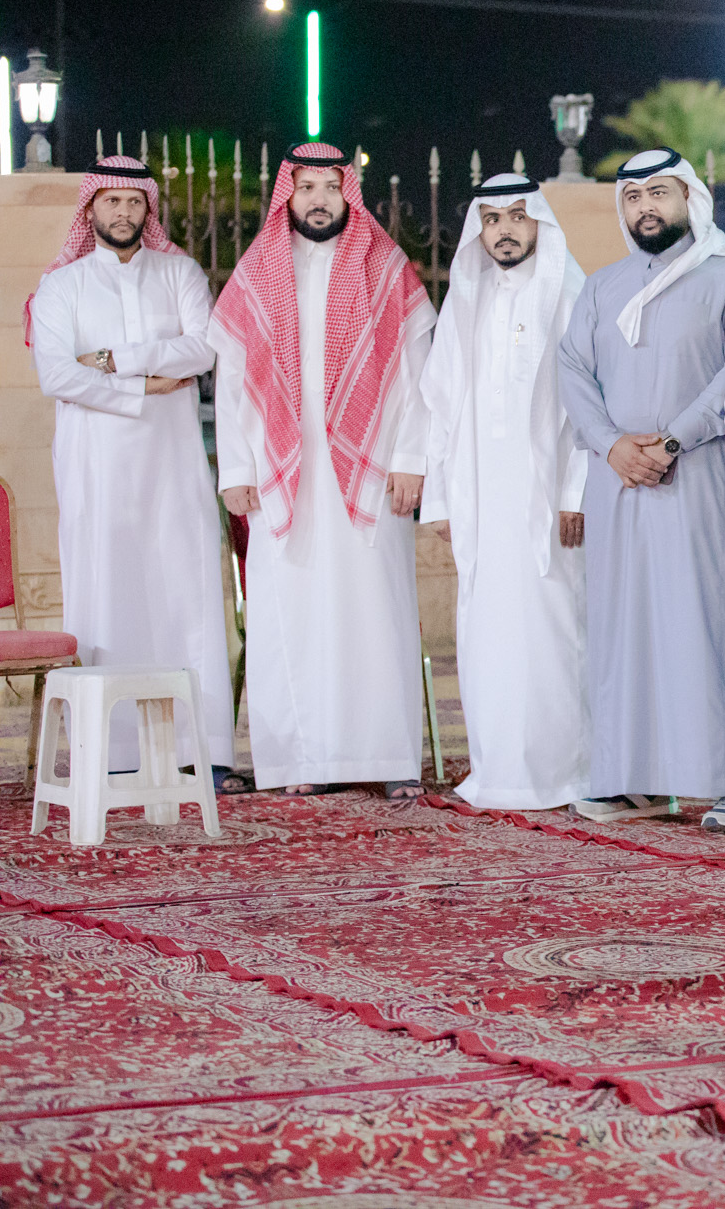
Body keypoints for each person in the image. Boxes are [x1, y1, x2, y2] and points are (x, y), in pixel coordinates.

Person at [209, 143, 437, 797]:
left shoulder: (385, 267)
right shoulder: (257, 273)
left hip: (372, 469)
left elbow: (419, 376)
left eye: (329, 187)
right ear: (288, 194)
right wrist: (236, 468)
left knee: (377, 610)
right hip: (283, 473)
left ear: (347, 194)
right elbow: (231, 380)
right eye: (305, 187)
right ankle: (302, 763)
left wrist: (410, 460)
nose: (317, 200)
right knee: (291, 613)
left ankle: (389, 759)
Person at [556, 148, 725, 826]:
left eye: (658, 193)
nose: (645, 207)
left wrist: (674, 437)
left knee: (708, 621)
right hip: (618, 479)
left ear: (689, 199)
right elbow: (572, 370)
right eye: (633, 197)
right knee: (623, 627)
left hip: (701, 474)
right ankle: (633, 780)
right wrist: (612, 444)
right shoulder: (602, 286)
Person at [29, 158, 235, 788]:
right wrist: (146, 385)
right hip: (96, 469)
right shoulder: (61, 286)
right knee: (107, 595)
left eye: (134, 202)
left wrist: (113, 360)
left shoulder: (180, 272)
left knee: (187, 593)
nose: (123, 212)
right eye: (111, 201)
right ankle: (111, 752)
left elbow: (203, 347)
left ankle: (202, 750)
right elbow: (56, 375)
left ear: (149, 210)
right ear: (90, 208)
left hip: (172, 467)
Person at [420, 174, 592, 810]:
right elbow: (439, 405)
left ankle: (564, 772)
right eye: (492, 219)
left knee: (553, 628)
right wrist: (440, 499)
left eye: (518, 216)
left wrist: (576, 492)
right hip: (478, 501)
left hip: (547, 503)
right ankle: (495, 771)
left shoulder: (570, 293)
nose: (505, 230)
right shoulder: (466, 298)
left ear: (539, 222)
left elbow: (589, 407)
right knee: (484, 631)